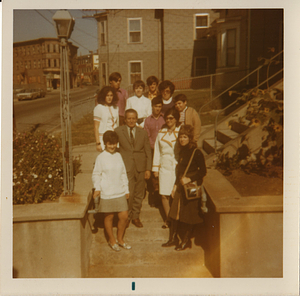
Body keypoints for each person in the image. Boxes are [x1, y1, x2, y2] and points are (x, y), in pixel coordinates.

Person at [162, 125, 206, 251]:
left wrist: (190, 179)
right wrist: (175, 185)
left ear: (190, 138)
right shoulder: (182, 151)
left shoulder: (196, 152)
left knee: (189, 215)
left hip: (191, 187)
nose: (182, 139)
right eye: (181, 137)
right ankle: (173, 239)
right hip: (181, 186)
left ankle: (186, 241)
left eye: (185, 137)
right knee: (174, 213)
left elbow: (203, 171)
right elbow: (180, 171)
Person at [92, 131, 131, 252]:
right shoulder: (101, 158)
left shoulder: (118, 156)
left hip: (119, 191)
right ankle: (112, 240)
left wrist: (126, 189)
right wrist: (97, 188)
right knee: (109, 217)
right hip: (107, 192)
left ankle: (120, 239)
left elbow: (123, 173)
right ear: (105, 144)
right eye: (110, 144)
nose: (112, 146)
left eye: (114, 144)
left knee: (124, 216)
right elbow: (96, 174)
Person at [115, 109, 152, 228]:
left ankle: (136, 216)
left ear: (137, 119)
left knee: (139, 193)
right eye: (129, 118)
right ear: (125, 119)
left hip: (141, 166)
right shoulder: (118, 131)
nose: (131, 121)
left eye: (133, 118)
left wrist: (148, 169)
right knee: (128, 193)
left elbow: (148, 152)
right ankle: (127, 217)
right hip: (126, 167)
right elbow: (114, 149)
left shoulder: (143, 133)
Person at [152, 107, 181, 228]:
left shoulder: (181, 132)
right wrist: (155, 168)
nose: (168, 120)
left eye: (171, 118)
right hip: (164, 166)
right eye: (167, 118)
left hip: (175, 166)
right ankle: (169, 219)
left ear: (176, 119)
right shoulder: (161, 132)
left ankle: (176, 218)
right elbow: (157, 151)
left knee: (175, 194)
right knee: (164, 194)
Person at [144, 95, 165, 207]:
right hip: (152, 150)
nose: (158, 108)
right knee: (154, 173)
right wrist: (153, 147)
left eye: (160, 106)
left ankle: (162, 194)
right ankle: (154, 195)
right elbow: (147, 136)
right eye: (156, 106)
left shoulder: (165, 118)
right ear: (152, 107)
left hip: (163, 150)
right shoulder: (147, 120)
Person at [93, 86, 119, 152]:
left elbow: (117, 124)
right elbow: (96, 127)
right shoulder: (99, 108)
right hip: (104, 137)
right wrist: (98, 143)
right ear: (103, 96)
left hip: (114, 136)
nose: (109, 97)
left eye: (111, 95)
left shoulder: (115, 107)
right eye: (107, 95)